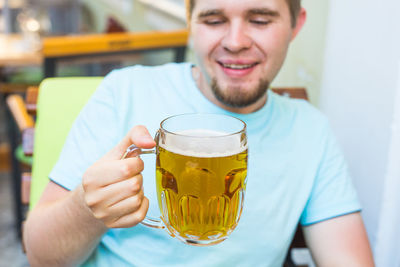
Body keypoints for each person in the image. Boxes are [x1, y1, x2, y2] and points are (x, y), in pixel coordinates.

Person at [23, 0, 375, 266]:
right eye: (214, 19)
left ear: (296, 25)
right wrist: (86, 209)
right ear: (190, 20)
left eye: (260, 19)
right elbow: (40, 255)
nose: (235, 41)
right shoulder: (125, 91)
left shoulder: (311, 130)